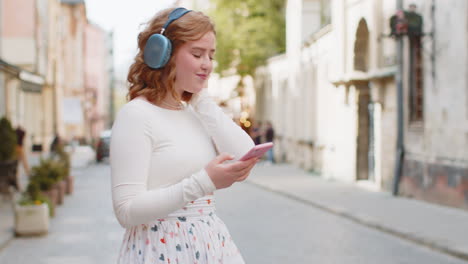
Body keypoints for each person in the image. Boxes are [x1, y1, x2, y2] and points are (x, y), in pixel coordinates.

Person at [110, 7, 258, 264]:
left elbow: (244, 152)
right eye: (197, 54)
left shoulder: (195, 111)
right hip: (160, 250)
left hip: (210, 245)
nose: (207, 65)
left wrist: (201, 100)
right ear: (163, 54)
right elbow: (126, 210)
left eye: (211, 56)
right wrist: (204, 182)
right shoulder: (136, 116)